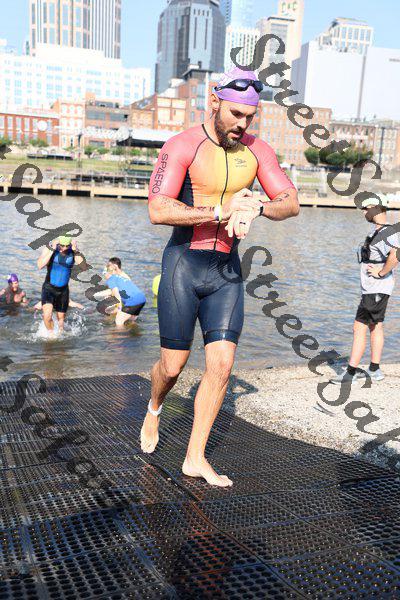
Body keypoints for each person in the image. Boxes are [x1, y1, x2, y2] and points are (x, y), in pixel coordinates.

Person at [140, 66, 299, 487]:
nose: (242, 124)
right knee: (172, 368)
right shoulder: (182, 145)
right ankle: (154, 406)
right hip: (183, 266)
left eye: (250, 117)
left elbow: (291, 201)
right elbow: (157, 208)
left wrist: (257, 207)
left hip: (226, 272)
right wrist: (218, 211)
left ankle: (194, 458)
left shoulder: (257, 150)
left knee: (223, 365)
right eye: (235, 114)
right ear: (214, 101)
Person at [330, 197, 399, 385]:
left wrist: (381, 272)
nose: (364, 212)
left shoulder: (387, 232)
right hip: (373, 289)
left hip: (376, 289)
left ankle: (350, 373)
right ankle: (375, 370)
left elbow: (396, 254)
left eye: (367, 208)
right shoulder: (377, 231)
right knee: (375, 326)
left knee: (358, 327)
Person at [37, 235, 83, 335]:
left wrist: (75, 250)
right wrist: (52, 249)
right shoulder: (49, 248)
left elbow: (83, 266)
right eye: (62, 245)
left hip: (63, 291)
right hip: (49, 288)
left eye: (67, 246)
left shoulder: (73, 251)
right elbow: (40, 265)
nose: (64, 248)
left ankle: (59, 335)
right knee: (47, 315)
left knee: (61, 319)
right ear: (58, 243)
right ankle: (51, 334)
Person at [104, 257, 146, 327]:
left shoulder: (112, 279)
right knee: (130, 321)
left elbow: (117, 295)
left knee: (118, 321)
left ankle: (119, 334)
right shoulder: (120, 277)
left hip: (132, 301)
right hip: (141, 299)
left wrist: (119, 309)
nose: (104, 275)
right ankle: (134, 332)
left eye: (106, 272)